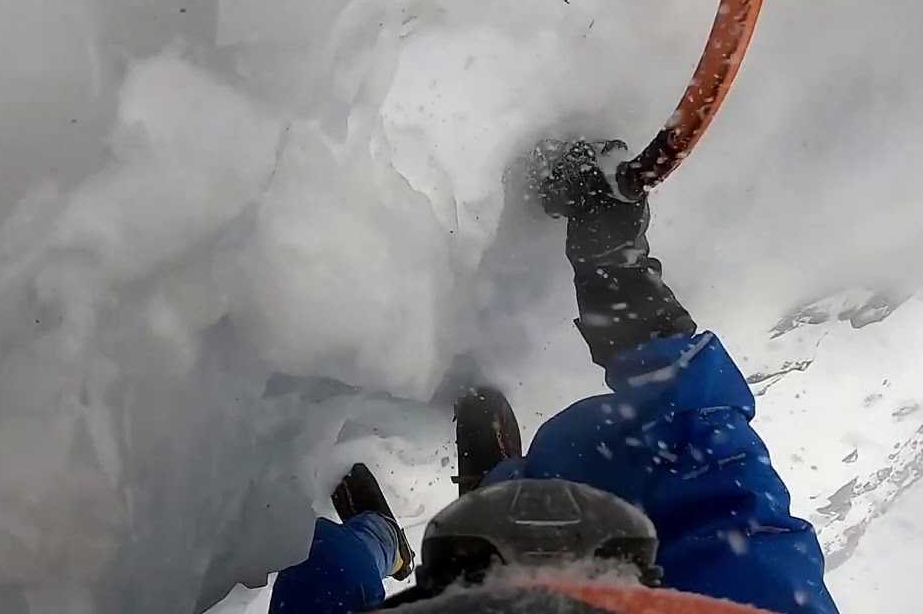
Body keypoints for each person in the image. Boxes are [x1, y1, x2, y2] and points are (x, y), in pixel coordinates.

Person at [263, 140, 840, 614]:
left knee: (321, 568)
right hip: (588, 551)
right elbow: (713, 476)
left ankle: (393, 536)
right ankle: (488, 498)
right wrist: (614, 269)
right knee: (572, 496)